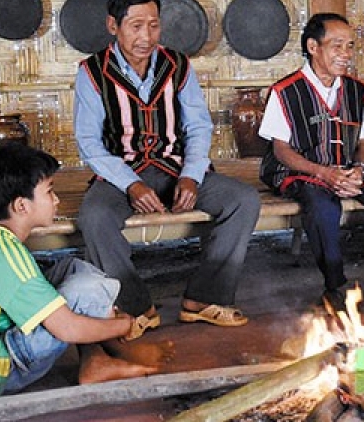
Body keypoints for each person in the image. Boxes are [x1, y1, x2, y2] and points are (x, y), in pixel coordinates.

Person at [73, 0, 260, 332]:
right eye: (136, 26)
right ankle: (136, 307)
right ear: (113, 26)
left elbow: (198, 126)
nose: (146, 36)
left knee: (243, 201)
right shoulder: (92, 72)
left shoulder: (178, 65)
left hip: (176, 170)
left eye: (154, 25)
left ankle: (205, 298)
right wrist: (131, 184)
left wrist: (191, 176)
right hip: (121, 175)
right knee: (95, 216)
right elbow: (89, 143)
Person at [0, 143, 160, 399]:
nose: (56, 199)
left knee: (72, 268)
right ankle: (108, 353)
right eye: (49, 191)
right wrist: (125, 326)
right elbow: (67, 329)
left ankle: (96, 358)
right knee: (86, 291)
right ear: (21, 206)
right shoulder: (3, 256)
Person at [258, 13, 364, 317]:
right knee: (323, 207)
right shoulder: (285, 91)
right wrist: (324, 173)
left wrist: (358, 170)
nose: (346, 54)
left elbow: (363, 142)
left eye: (350, 46)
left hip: (346, 166)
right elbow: (280, 150)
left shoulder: (357, 90)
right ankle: (335, 287)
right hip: (302, 169)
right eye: (337, 45)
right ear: (313, 47)